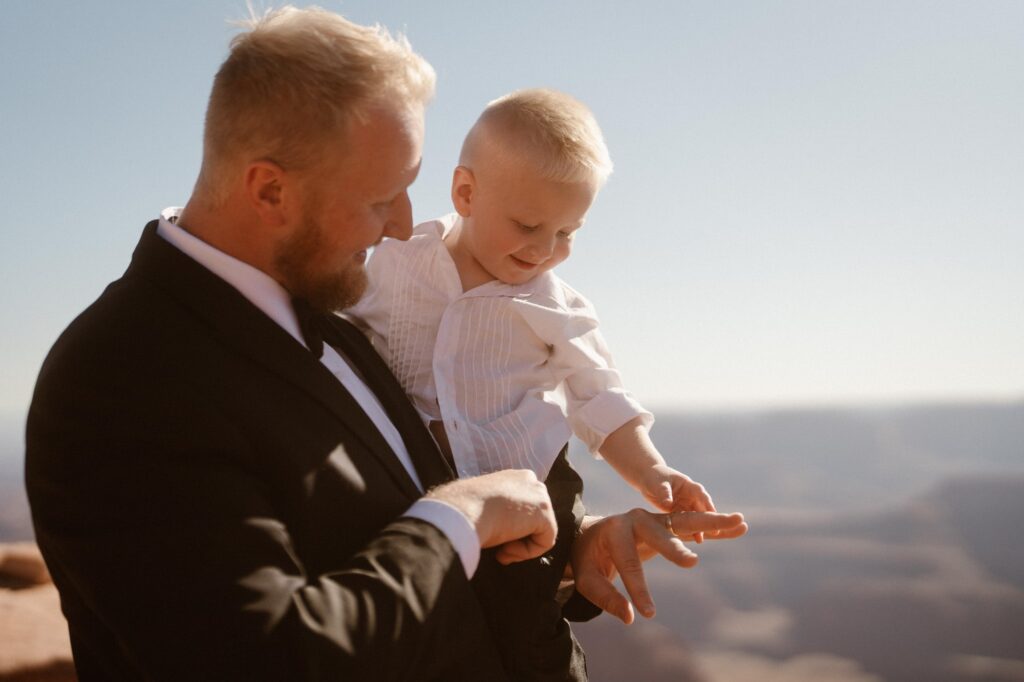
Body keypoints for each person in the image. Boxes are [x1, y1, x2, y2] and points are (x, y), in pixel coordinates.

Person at [25, 6, 747, 682]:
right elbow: (268, 656)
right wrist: (462, 517)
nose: (405, 228)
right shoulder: (124, 376)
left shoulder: (338, 312)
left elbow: (396, 515)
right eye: (380, 199)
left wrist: (571, 547)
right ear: (269, 190)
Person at [349, 89, 713, 517]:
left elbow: (600, 397)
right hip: (400, 482)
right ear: (465, 193)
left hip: (517, 501)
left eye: (566, 232)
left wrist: (652, 471)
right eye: (527, 225)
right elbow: (345, 334)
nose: (543, 249)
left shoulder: (559, 308)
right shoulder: (398, 260)